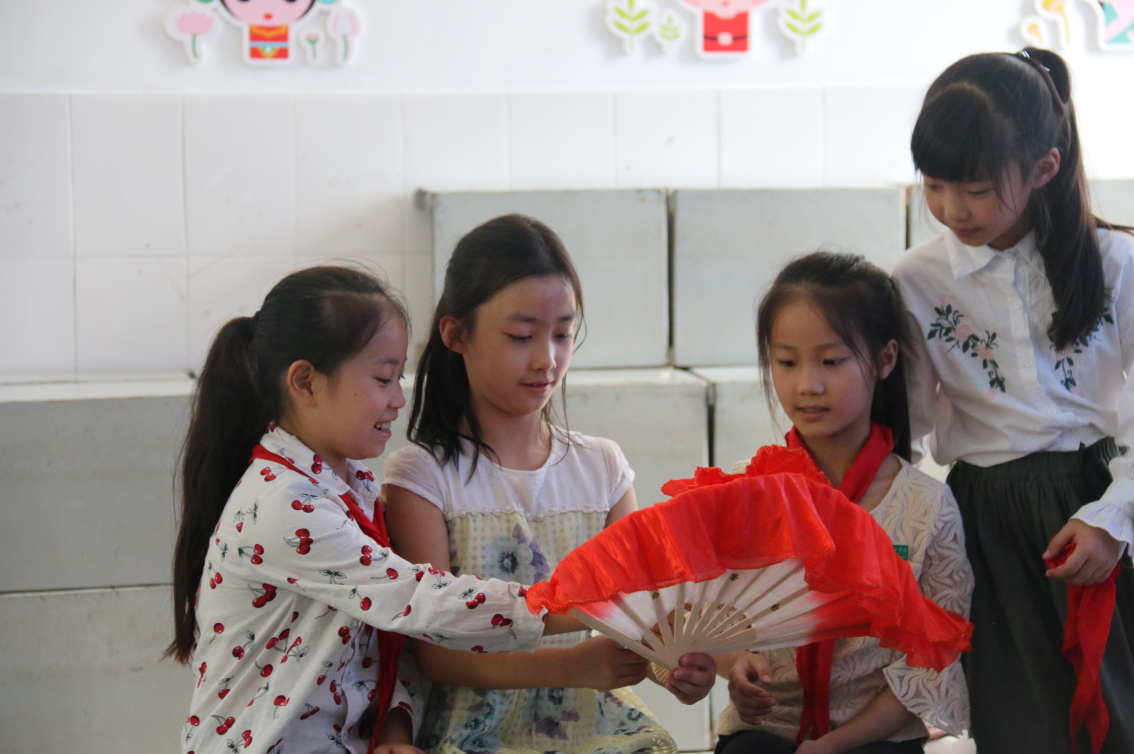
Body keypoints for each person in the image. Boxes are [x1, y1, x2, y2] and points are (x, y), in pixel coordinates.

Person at [169, 266, 583, 754]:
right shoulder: (286, 506)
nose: (398, 400)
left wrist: (394, 729)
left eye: (399, 377)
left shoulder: (356, 487)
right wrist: (576, 604)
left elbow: (385, 638)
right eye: (383, 378)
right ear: (305, 382)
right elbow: (418, 601)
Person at [383, 214, 714, 754]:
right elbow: (436, 653)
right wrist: (570, 666)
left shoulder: (602, 467)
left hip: (597, 725)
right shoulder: (422, 478)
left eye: (563, 334)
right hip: (475, 734)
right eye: (521, 336)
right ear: (456, 334)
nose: (547, 359)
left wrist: (672, 667)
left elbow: (642, 613)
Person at [893, 48, 1134, 754]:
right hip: (984, 520)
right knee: (1019, 726)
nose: (951, 210)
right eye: (934, 186)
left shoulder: (1115, 262)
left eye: (974, 188)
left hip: (1099, 502)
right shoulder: (916, 279)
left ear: (1044, 168)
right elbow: (907, 425)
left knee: (1117, 713)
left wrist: (1114, 518)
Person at [712, 252, 973, 754]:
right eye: (786, 362)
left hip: (877, 736)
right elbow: (706, 615)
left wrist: (834, 745)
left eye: (831, 361)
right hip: (765, 733)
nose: (807, 385)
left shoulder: (926, 507)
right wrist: (734, 663)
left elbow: (930, 661)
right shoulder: (746, 494)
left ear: (885, 359)